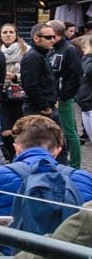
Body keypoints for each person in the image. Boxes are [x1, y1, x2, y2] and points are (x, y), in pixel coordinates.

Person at [0, 115, 92, 237]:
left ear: (17, 149)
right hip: (69, 253)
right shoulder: (84, 179)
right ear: (57, 151)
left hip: (10, 254)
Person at [46, 18, 82, 167]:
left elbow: (76, 76)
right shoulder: (53, 49)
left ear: (55, 33)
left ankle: (75, 165)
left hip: (63, 98)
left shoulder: (69, 50)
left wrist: (64, 97)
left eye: (48, 33)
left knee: (69, 131)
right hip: (54, 96)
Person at [0, 22, 29, 149]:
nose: (8, 35)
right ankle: (8, 152)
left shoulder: (26, 50)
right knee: (4, 126)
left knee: (20, 125)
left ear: (16, 34)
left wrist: (15, 76)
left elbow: (29, 73)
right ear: (0, 35)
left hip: (19, 92)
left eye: (11, 32)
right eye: (5, 32)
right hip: (2, 92)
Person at [21, 22, 58, 117]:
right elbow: (30, 85)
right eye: (48, 37)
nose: (53, 40)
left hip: (45, 107)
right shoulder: (33, 57)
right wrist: (44, 107)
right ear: (36, 38)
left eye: (54, 37)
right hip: (37, 110)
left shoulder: (42, 55)